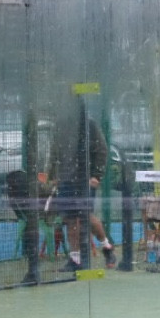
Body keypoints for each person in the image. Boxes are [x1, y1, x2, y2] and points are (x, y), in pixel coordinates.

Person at [49, 105, 110, 272]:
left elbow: (102, 150)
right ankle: (75, 259)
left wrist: (96, 175)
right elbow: (54, 151)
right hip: (66, 180)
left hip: (85, 180)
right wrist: (53, 175)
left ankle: (106, 246)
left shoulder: (90, 125)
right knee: (70, 219)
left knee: (85, 216)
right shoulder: (60, 126)